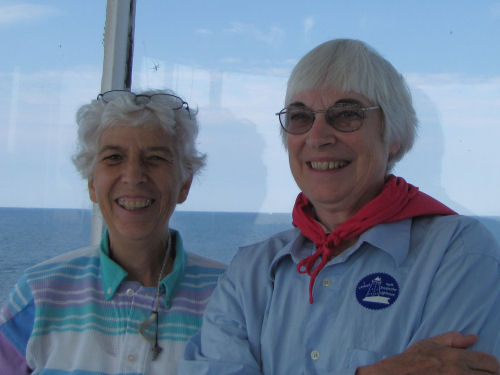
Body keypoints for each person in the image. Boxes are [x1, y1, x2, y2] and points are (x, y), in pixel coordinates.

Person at [179, 39, 500, 374]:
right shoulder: (250, 273)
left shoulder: (459, 254)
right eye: (300, 116)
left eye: (347, 114)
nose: (318, 136)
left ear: (394, 136)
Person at [0, 89, 226, 374]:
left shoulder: (229, 296)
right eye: (114, 157)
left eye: (155, 158)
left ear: (184, 183)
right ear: (92, 184)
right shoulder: (40, 293)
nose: (133, 176)